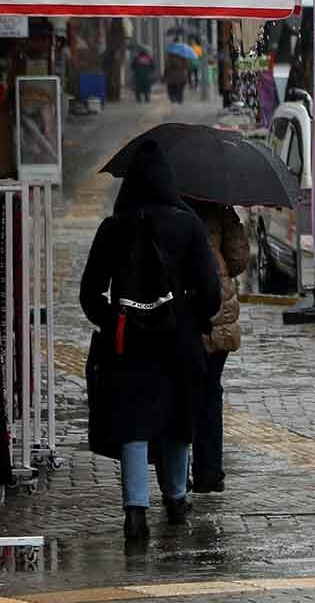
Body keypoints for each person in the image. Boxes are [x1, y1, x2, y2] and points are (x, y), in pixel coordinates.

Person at [80, 141, 221, 540]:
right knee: (178, 418)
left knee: (133, 422)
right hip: (178, 340)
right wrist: (192, 317)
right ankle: (176, 499)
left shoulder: (115, 226)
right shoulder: (188, 224)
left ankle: (135, 512)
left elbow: (89, 292)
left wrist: (113, 321)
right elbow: (211, 292)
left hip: (127, 344)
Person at [185, 199, 251, 495]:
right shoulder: (220, 208)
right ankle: (209, 473)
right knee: (211, 392)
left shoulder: (170, 206)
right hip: (218, 311)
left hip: (182, 308)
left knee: (180, 392)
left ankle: (175, 477)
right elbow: (238, 260)